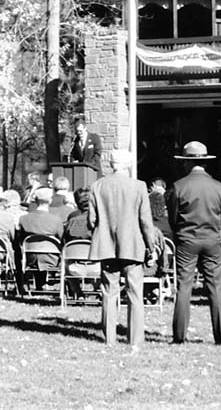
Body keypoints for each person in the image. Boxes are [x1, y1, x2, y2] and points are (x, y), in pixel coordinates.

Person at [89, 149, 162, 348]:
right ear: (128, 165)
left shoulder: (97, 186)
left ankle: (109, 338)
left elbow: (92, 220)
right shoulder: (139, 186)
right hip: (132, 245)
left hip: (107, 245)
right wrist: (151, 247)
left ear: (111, 164)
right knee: (135, 292)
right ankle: (135, 338)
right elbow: (146, 221)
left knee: (108, 292)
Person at [167, 141, 221, 345]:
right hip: (211, 240)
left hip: (187, 239)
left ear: (187, 163)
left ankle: (179, 336)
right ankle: (220, 337)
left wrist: (181, 232)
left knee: (184, 286)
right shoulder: (219, 187)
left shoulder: (179, 186)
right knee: (216, 287)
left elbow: (173, 217)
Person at [17, 186, 62, 294]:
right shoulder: (56, 220)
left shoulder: (24, 219)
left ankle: (30, 284)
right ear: (50, 201)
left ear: (36, 201)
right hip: (52, 258)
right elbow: (61, 238)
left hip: (30, 257)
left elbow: (21, 240)